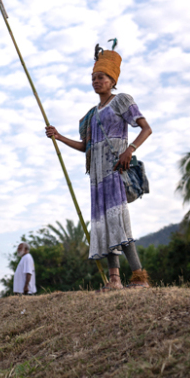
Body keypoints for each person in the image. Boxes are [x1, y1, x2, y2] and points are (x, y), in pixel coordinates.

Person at [45, 44, 153, 291]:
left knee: (118, 220)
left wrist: (130, 149)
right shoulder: (92, 115)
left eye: (101, 77)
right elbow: (86, 147)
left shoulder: (121, 101)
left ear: (112, 79)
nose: (96, 81)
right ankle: (114, 280)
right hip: (97, 175)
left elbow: (146, 128)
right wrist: (59, 136)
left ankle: (139, 277)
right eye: (93, 78)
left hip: (115, 170)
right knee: (104, 224)